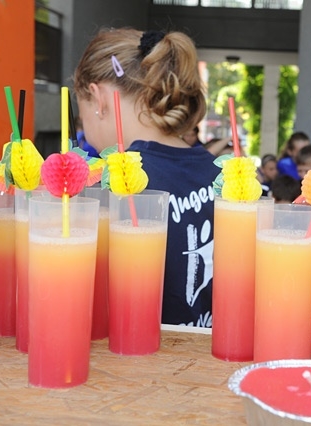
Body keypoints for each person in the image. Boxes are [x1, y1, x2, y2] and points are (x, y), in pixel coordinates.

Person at [74, 27, 219, 328]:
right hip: (206, 353)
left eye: (81, 110)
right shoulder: (224, 175)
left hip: (136, 355)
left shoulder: (111, 185)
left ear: (97, 98)